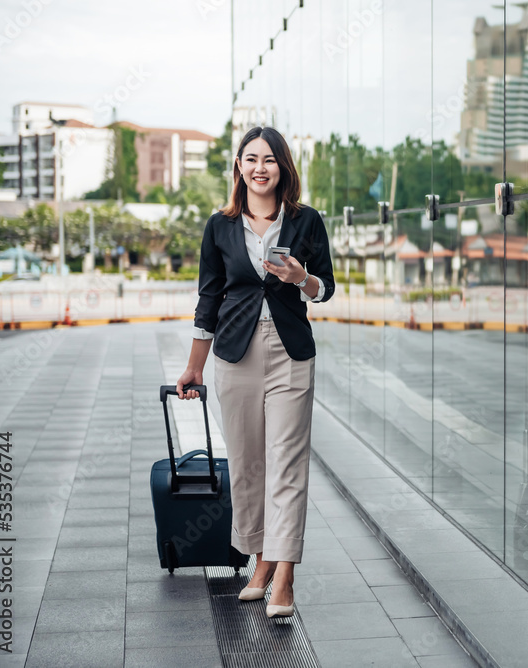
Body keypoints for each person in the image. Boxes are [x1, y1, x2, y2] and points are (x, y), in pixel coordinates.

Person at [175, 125, 335, 618]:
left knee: (286, 464)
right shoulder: (220, 225)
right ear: (239, 167)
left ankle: (284, 575)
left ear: (283, 166)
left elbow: (325, 287)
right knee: (247, 465)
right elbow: (208, 298)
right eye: (250, 159)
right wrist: (193, 367)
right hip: (234, 354)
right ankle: (259, 559)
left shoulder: (306, 221)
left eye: (269, 159)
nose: (259, 168)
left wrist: (300, 277)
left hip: (290, 353)